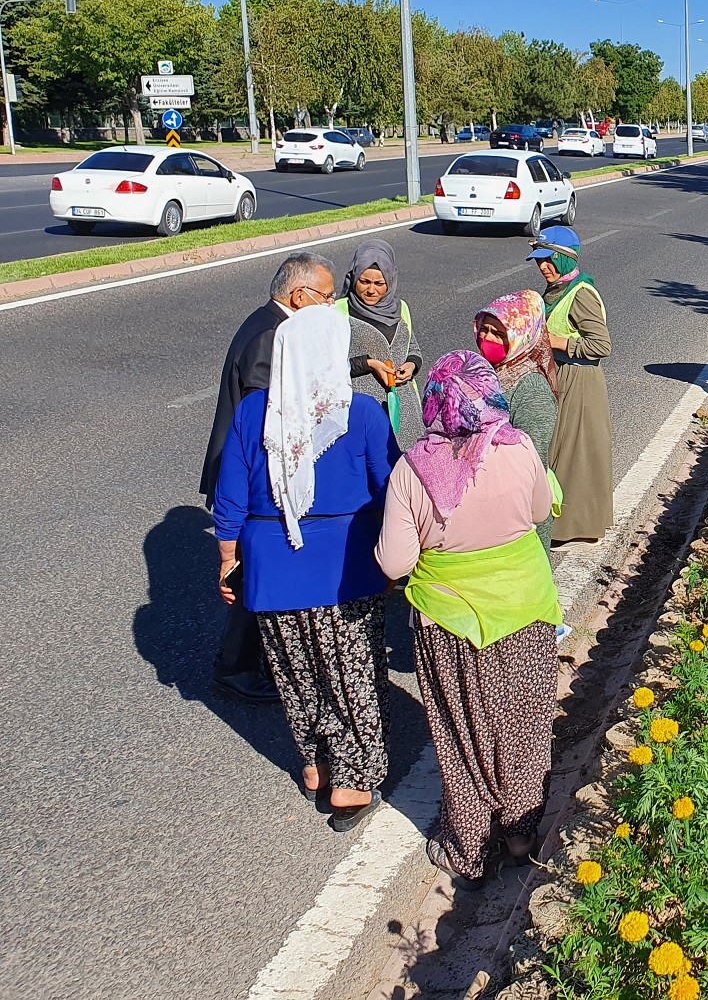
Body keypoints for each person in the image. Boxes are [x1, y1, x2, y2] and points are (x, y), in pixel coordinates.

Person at [212, 304, 399, 832]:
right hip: (346, 565)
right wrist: (396, 561)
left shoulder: (255, 412)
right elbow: (391, 490)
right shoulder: (361, 413)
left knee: (296, 674)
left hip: (273, 567)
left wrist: (227, 561)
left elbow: (230, 496)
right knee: (352, 675)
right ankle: (352, 780)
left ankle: (316, 765)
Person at [376, 351, 561, 887]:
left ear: (436, 403)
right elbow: (540, 512)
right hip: (524, 607)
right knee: (524, 723)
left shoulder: (413, 469)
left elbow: (395, 562)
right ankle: (522, 833)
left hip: (449, 621)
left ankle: (472, 848)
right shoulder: (518, 447)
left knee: (462, 734)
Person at [200, 251, 339, 704]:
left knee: (257, 569)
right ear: (299, 296)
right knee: (251, 573)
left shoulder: (270, 323)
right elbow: (270, 417)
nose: (332, 305)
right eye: (327, 296)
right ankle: (235, 669)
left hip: (250, 473)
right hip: (252, 476)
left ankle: (248, 661)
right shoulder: (272, 336)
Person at [528, 227, 613, 544]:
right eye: (539, 261)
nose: (543, 267)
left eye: (549, 260)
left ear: (565, 259)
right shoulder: (556, 290)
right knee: (559, 450)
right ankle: (559, 522)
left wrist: (555, 342)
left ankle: (576, 527)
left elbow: (601, 345)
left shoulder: (581, 294)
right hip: (559, 375)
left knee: (575, 453)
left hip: (579, 380)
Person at [475, 290, 562, 550]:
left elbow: (531, 461)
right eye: (484, 329)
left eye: (498, 333)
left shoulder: (531, 389)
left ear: (521, 336)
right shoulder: (486, 372)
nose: (487, 338)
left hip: (517, 507)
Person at [339, 240, 425, 448]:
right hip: (362, 411)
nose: (371, 290)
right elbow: (326, 366)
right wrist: (368, 364)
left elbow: (412, 348)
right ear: (354, 278)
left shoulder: (400, 308)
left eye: (379, 283)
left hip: (405, 413)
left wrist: (411, 366)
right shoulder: (338, 311)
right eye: (364, 281)